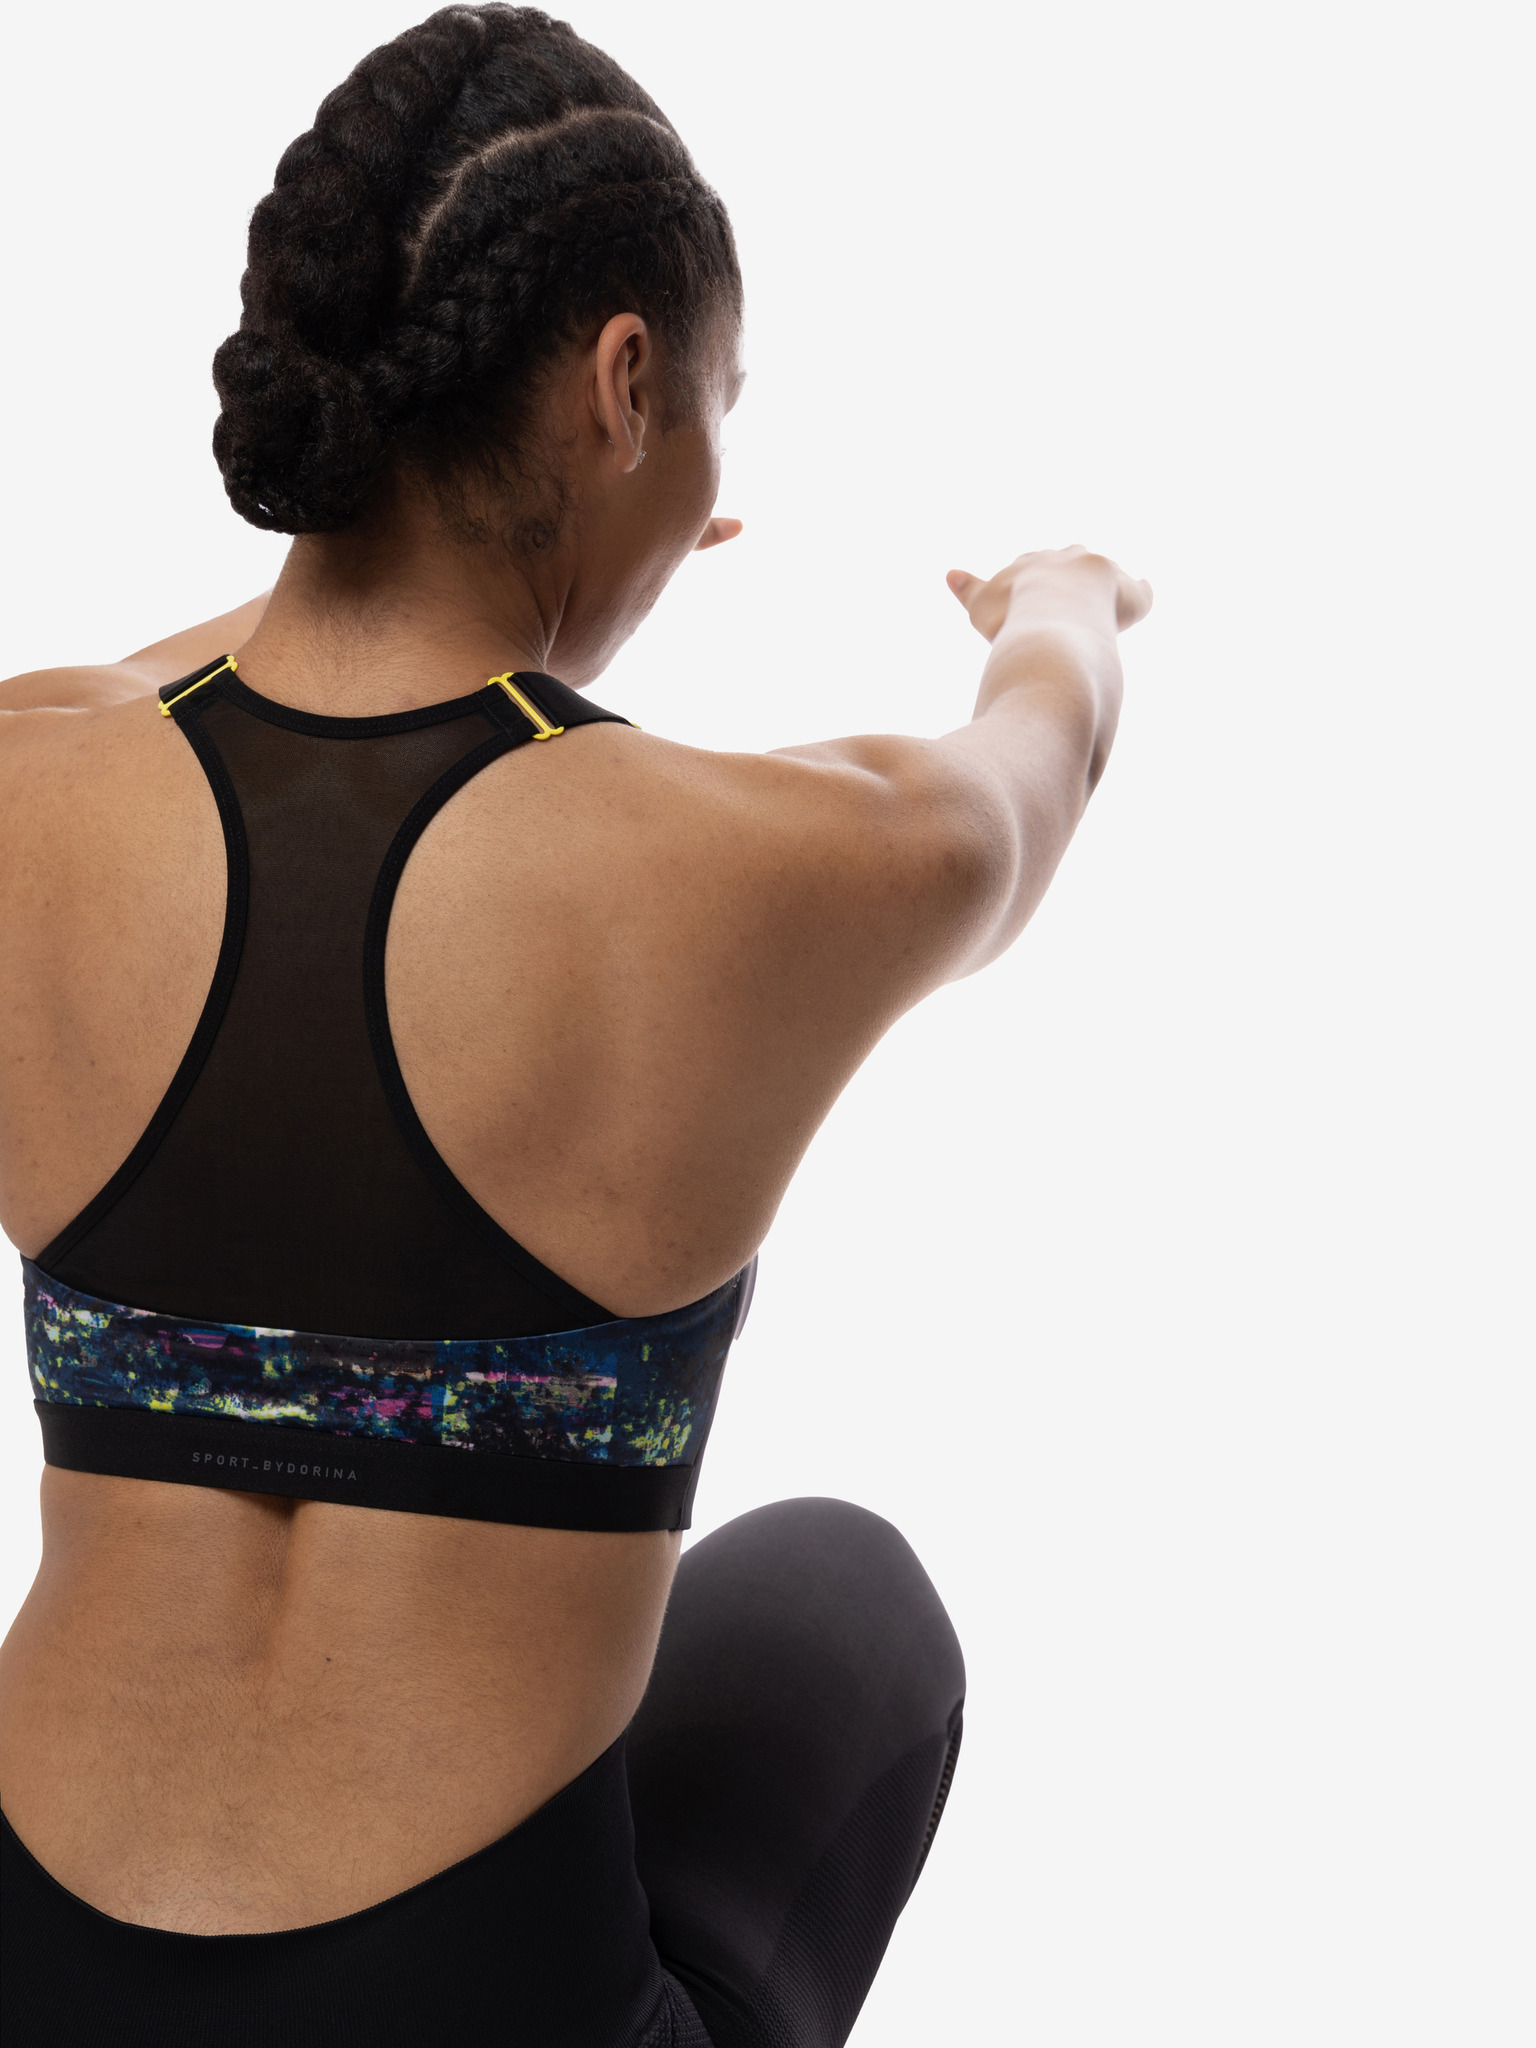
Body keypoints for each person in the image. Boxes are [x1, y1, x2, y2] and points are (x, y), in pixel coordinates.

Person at [0, 7, 1150, 2043]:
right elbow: (1026, 774)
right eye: (714, 409)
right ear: (625, 384)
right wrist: (1059, 596)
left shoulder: (29, 780)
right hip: (468, 2002)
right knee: (846, 1595)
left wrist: (476, 554)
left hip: (41, 1967)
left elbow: (229, 677)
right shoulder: (765, 863)